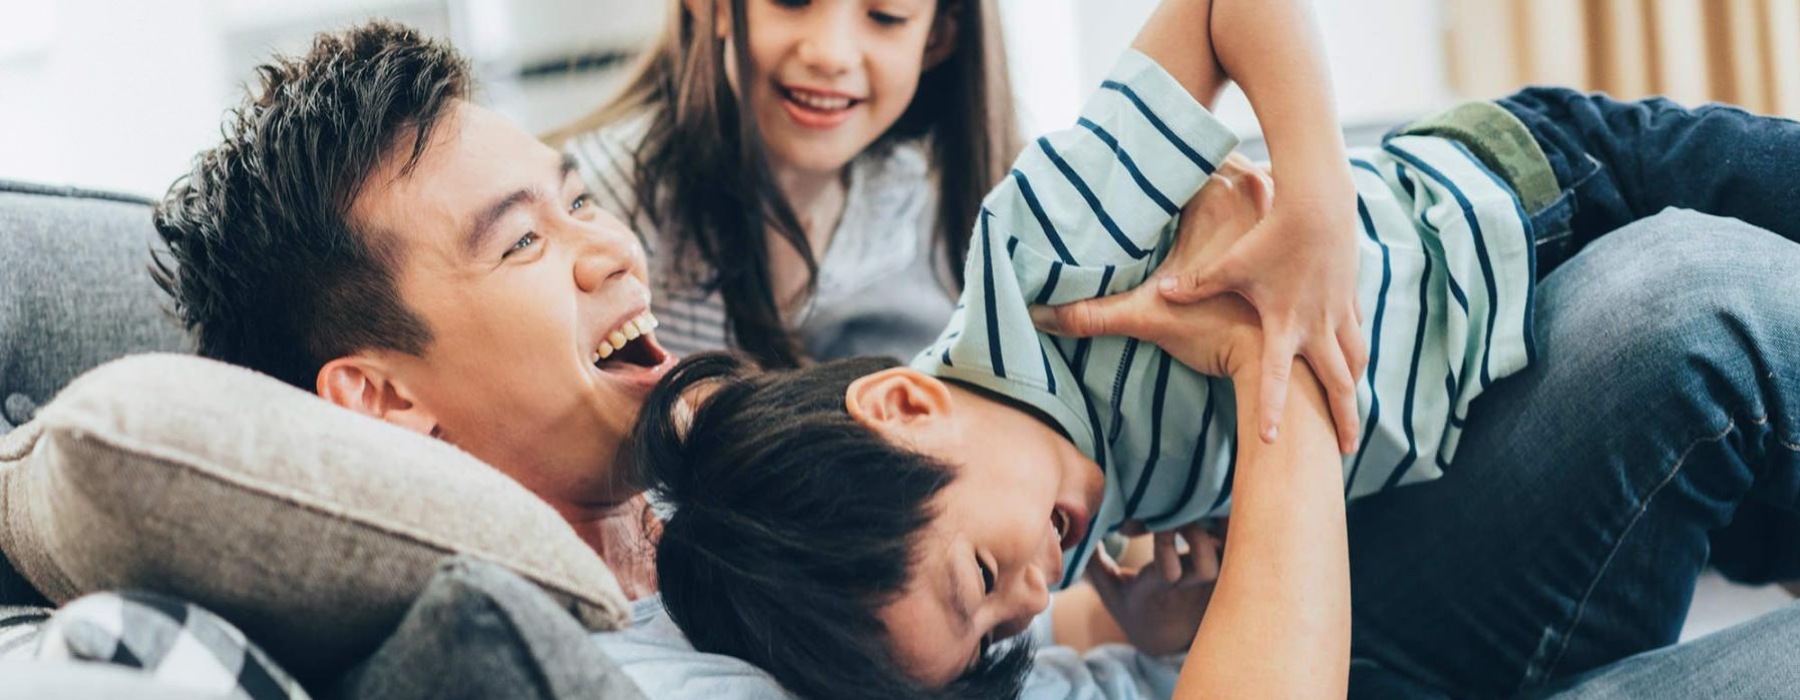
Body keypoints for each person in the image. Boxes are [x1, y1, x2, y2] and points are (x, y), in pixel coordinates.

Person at [150, 16, 1800, 700]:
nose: (604, 250)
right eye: (523, 240)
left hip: (1269, 577)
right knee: (1695, 300)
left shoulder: (716, 508)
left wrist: (1108, 597)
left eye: (577, 201)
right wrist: (1264, 368)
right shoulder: (632, 662)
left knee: (1683, 293)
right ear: (376, 401)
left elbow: (999, 588)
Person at [627, 0, 1800, 696]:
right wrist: (1144, 626)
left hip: (1530, 197)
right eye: (998, 633)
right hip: (1477, 395)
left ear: (902, 405)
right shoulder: (1052, 506)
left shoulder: (1037, 262)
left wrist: (1319, 199)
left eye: (987, 584)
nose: (1031, 598)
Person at [546, 0, 1020, 366]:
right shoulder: (600, 209)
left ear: (938, 38)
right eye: (792, 0)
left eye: (886, 15)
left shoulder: (912, 195)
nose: (830, 54)